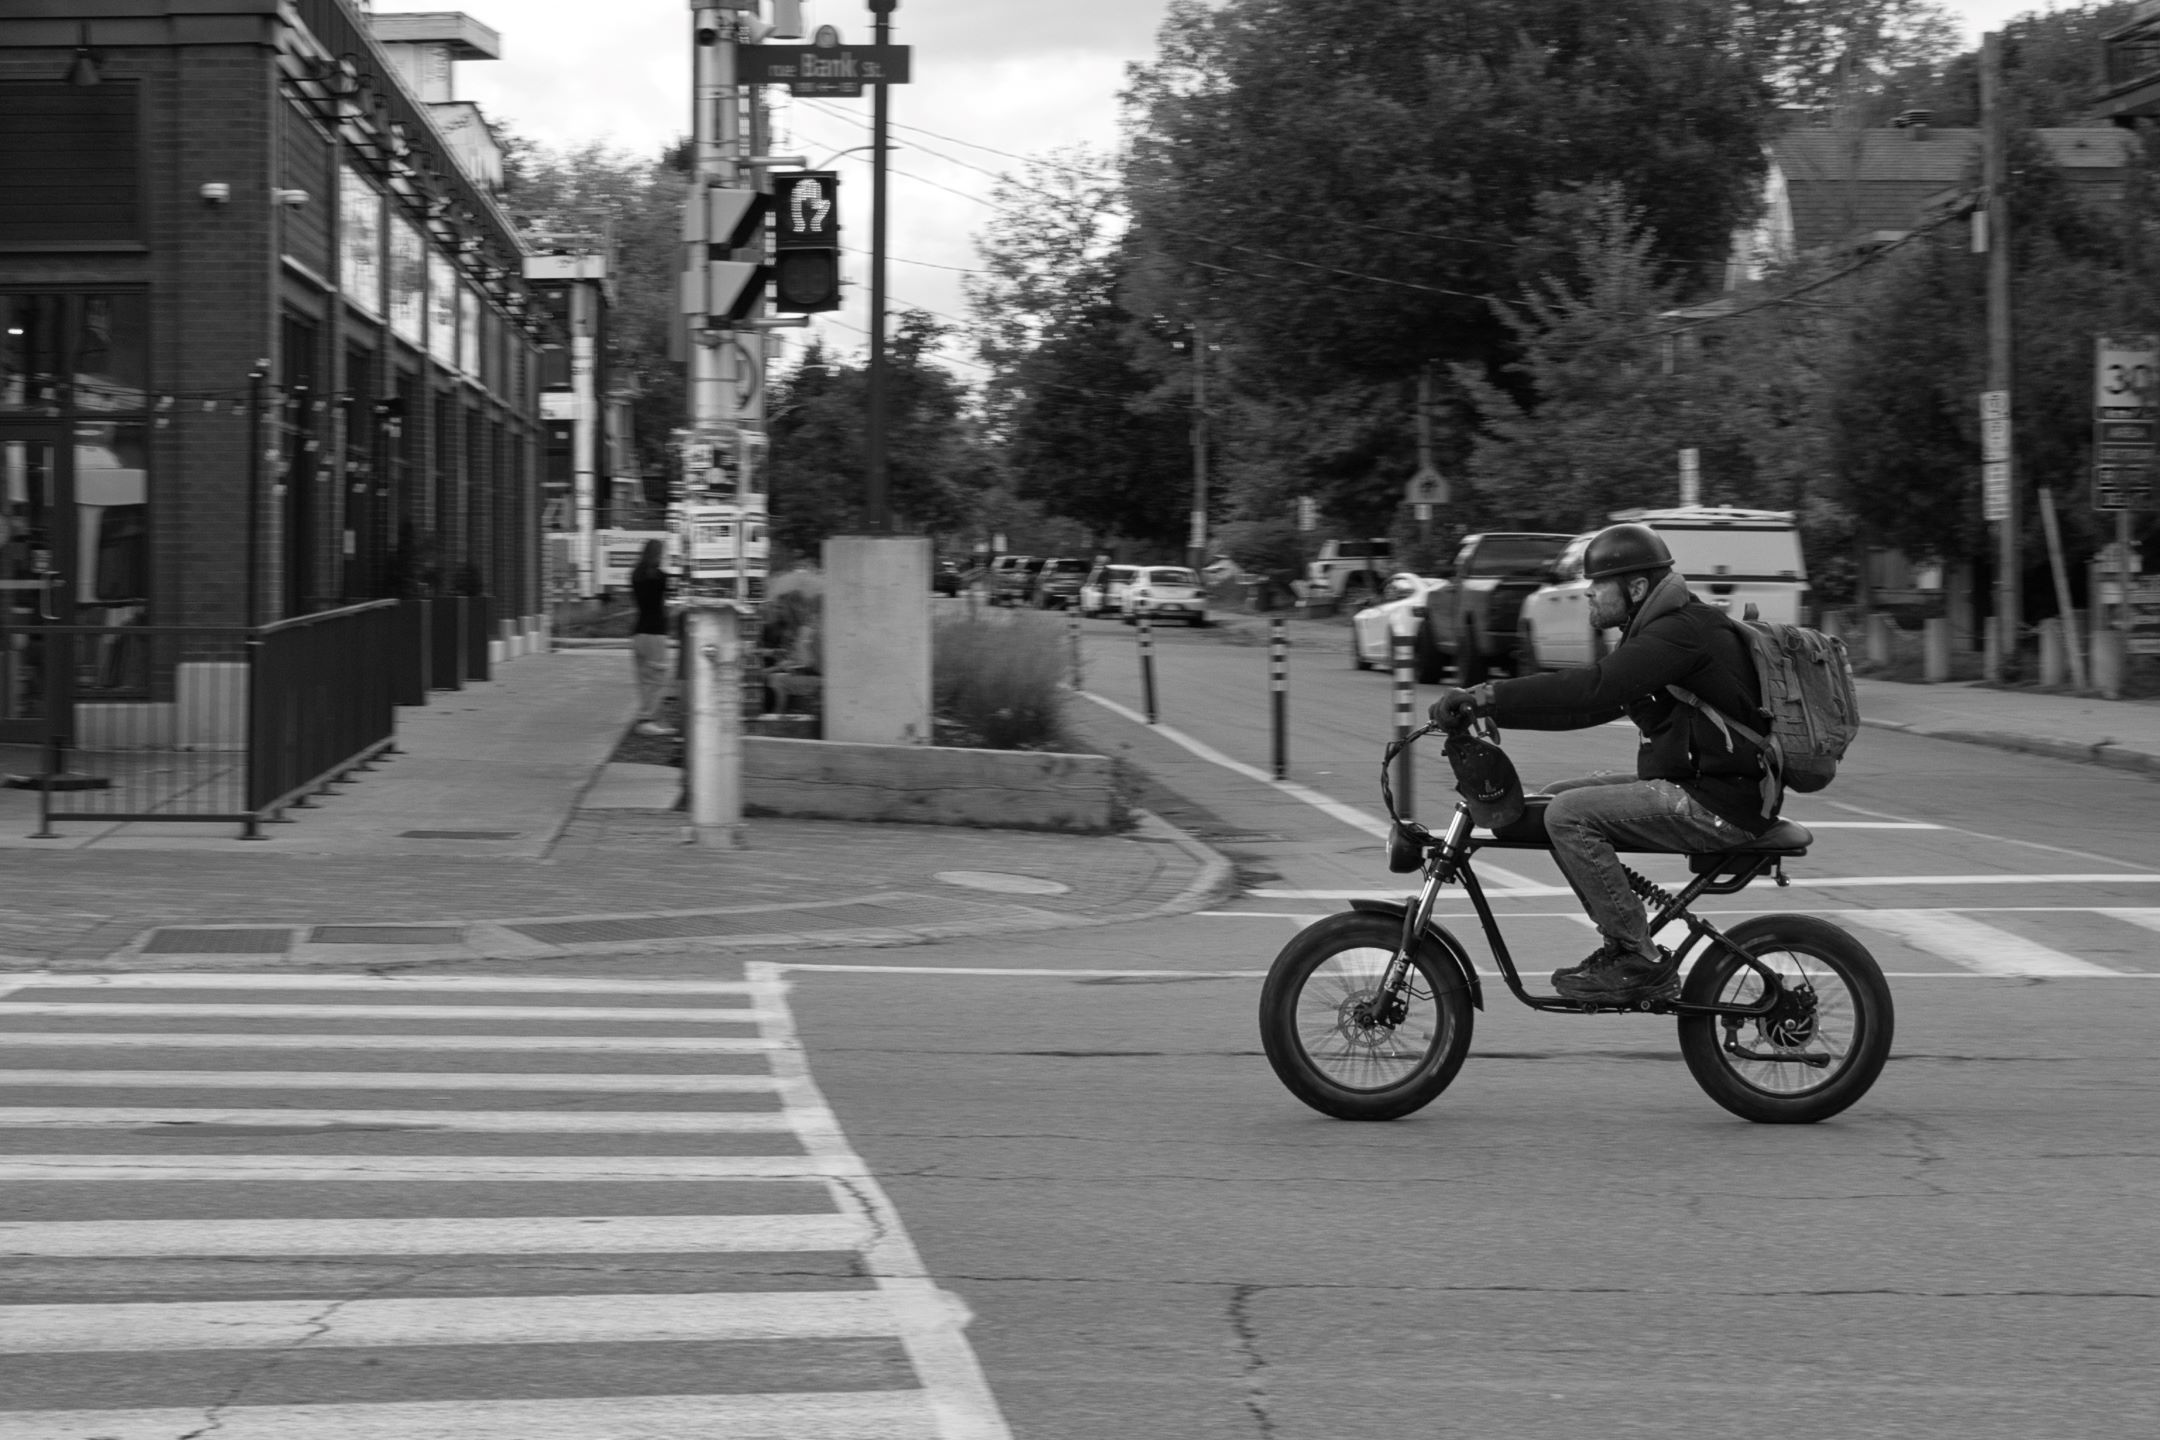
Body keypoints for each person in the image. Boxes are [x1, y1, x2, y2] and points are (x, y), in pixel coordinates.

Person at [1428, 523, 1775, 1003]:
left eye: (1597, 584)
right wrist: (1490, 708)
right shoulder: (1658, 627)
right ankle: (1623, 943)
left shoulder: (1680, 632)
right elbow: (1589, 708)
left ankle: (1636, 955)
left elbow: (1595, 687)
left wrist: (1487, 693)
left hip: (1720, 801)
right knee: (1557, 797)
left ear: (1635, 588)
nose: (1587, 593)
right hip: (1699, 784)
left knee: (1567, 815)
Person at [628, 539, 676, 737]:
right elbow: (670, 600)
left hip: (638, 633)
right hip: (655, 634)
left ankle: (651, 718)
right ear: (658, 554)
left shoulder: (636, 575)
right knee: (658, 679)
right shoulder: (661, 578)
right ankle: (647, 720)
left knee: (645, 680)